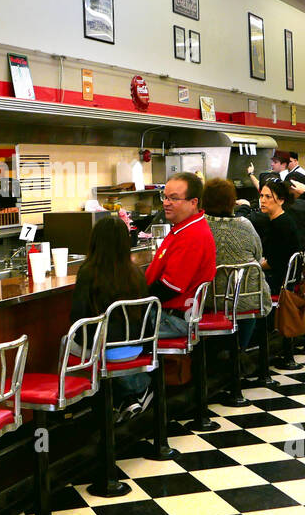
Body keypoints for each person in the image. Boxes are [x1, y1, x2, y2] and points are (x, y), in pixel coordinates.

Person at [71, 215, 151, 421]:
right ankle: (125, 397)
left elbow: (78, 320)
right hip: (137, 347)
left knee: (68, 344)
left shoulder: (88, 272)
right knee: (104, 350)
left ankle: (84, 404)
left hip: (106, 352)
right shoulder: (136, 272)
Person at [202, 178, 269, 353]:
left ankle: (213, 354)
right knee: (247, 309)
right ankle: (240, 350)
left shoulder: (201, 227)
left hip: (211, 298)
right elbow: (258, 254)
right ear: (232, 201)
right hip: (248, 296)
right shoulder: (245, 225)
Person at [145, 173, 217, 338]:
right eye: (165, 197)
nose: (166, 203)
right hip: (168, 313)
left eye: (174, 198)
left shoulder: (192, 235)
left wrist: (137, 297)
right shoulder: (184, 228)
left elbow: (171, 287)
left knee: (104, 330)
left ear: (193, 203)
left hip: (173, 319)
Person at [257, 177, 302, 293]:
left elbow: (274, 262)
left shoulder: (282, 225)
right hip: (283, 275)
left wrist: (255, 266)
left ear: (281, 200)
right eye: (261, 196)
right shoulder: (278, 220)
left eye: (268, 197)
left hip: (281, 279)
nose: (262, 200)